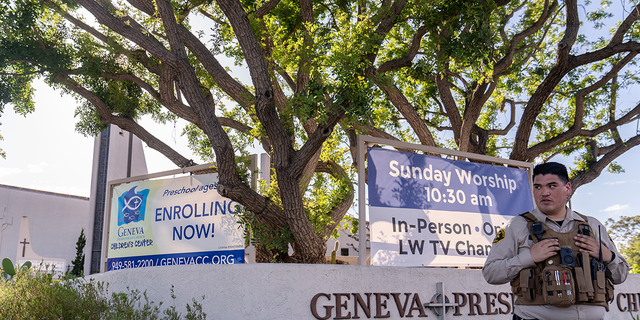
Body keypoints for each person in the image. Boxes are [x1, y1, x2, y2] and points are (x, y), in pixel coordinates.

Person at [483, 162, 629, 320]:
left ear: (567, 188)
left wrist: (607, 256)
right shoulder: (516, 226)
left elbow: (620, 276)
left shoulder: (592, 225)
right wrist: (528, 257)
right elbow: (491, 273)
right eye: (538, 187)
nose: (544, 192)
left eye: (552, 186)